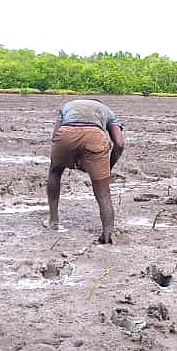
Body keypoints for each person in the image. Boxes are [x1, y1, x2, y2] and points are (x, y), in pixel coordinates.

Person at [45, 99, 125, 244]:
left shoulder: (67, 106)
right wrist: (108, 168)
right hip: (94, 137)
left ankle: (53, 221)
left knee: (55, 172)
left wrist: (70, 159)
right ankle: (107, 235)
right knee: (103, 192)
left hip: (66, 134)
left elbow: (54, 137)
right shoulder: (108, 111)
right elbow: (119, 144)